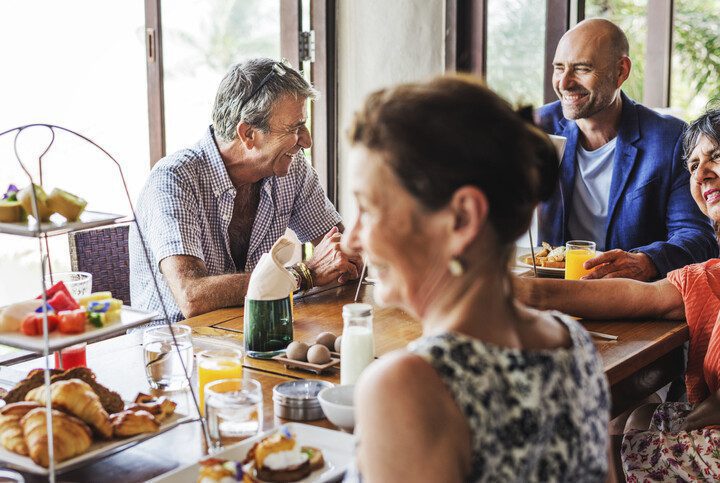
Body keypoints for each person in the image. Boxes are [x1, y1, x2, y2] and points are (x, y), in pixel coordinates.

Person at [342, 75, 610, 481]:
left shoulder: (408, 387)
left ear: (462, 218)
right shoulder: (573, 344)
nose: (351, 238)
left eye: (369, 208)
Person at [517, 108, 720, 480]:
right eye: (693, 165)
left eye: (716, 156)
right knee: (635, 416)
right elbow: (639, 297)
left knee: (613, 442)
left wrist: (687, 424)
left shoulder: (659, 133)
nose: (701, 172)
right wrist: (528, 289)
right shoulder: (711, 274)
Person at [129, 58, 359, 323]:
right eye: (295, 128)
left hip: (249, 335)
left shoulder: (291, 170)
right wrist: (303, 274)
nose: (306, 140)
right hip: (173, 351)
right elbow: (192, 296)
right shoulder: (173, 180)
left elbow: (343, 251)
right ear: (248, 134)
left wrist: (350, 256)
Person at [537, 18, 717, 281]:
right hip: (547, 290)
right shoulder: (534, 129)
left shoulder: (671, 138)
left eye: (582, 69)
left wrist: (647, 261)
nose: (564, 83)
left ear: (621, 71)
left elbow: (698, 236)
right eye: (559, 68)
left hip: (631, 297)